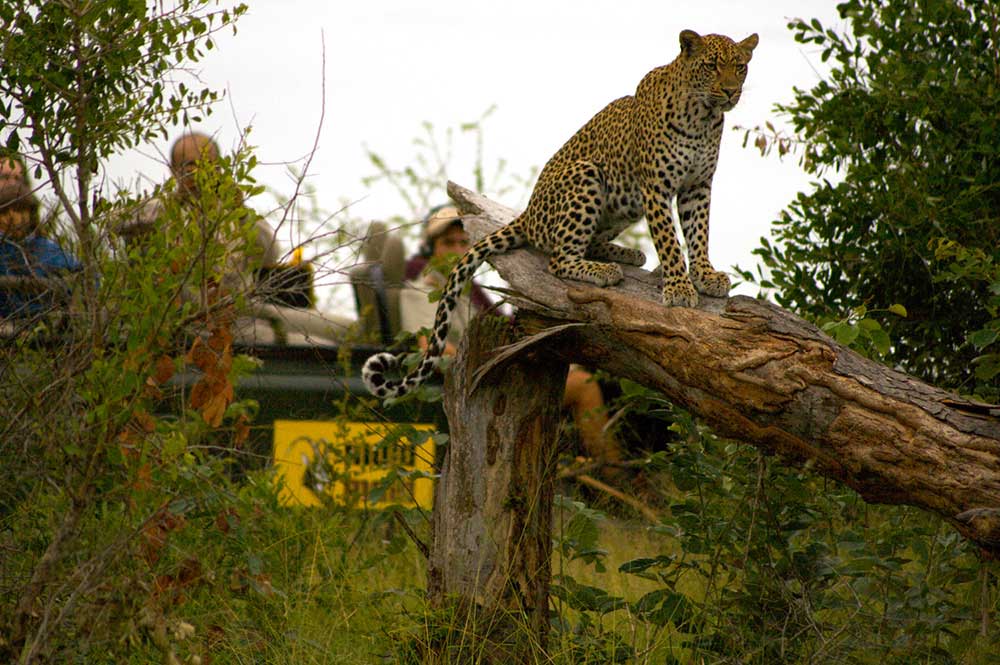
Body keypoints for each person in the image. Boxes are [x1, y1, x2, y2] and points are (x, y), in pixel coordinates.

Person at [399, 205, 623, 471]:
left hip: (494, 380)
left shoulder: (468, 293)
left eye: (464, 243)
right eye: (448, 243)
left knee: (591, 371)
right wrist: (500, 365)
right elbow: (431, 351)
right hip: (474, 390)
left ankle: (585, 473)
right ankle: (616, 479)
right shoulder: (421, 291)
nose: (458, 250)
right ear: (430, 250)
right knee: (584, 385)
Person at [0, 179, 81, 319]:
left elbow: (85, 276)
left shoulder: (47, 249)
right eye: (5, 211)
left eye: (19, 210)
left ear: (31, 214)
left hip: (46, 325)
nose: (12, 217)